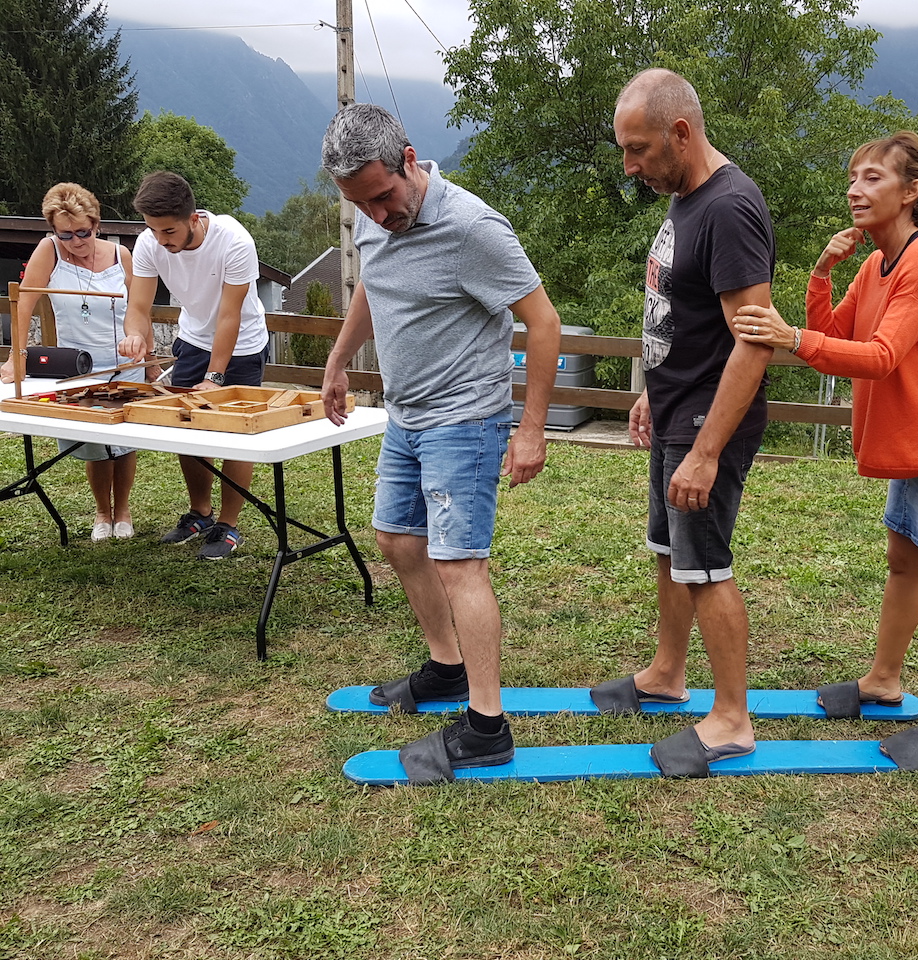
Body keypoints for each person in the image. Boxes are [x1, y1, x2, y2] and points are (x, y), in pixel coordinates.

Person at [733, 131, 918, 771]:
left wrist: (791, 335)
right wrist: (822, 272)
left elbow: (880, 358)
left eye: (873, 178)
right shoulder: (875, 263)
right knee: (902, 563)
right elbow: (834, 336)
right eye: (853, 177)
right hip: (913, 444)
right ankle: (884, 682)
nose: (856, 189)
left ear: (912, 192)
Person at [319, 103, 561, 780]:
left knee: (460, 565)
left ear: (408, 158)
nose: (376, 214)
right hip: (407, 415)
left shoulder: (471, 227)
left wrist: (531, 428)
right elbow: (374, 282)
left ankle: (486, 726)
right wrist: (340, 361)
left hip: (466, 420)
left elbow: (543, 323)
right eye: (359, 204)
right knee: (397, 541)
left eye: (383, 197)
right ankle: (447, 670)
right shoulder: (370, 218)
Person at [590, 69, 776, 777]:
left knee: (706, 566)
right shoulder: (687, 197)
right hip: (677, 403)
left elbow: (752, 341)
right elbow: (680, 310)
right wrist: (651, 388)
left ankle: (731, 720)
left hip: (709, 419)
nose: (630, 167)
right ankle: (669, 674)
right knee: (669, 550)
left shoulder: (730, 207)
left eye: (638, 150)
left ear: (680, 133)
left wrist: (704, 449)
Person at [117, 171, 270, 561]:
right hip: (193, 339)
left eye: (168, 231)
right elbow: (138, 306)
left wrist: (214, 377)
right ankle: (201, 513)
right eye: (153, 230)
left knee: (235, 435)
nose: (161, 240)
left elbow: (229, 317)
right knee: (186, 429)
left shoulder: (234, 241)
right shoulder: (150, 244)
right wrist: (135, 334)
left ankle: (229, 525)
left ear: (193, 218)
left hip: (242, 345)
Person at [1, 182, 144, 541]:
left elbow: (137, 308)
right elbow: (24, 304)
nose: (77, 241)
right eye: (66, 235)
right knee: (93, 443)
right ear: (53, 230)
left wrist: (140, 344)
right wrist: (14, 357)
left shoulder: (120, 254)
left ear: (96, 224)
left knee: (124, 442)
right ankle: (102, 512)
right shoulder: (48, 251)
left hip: (123, 360)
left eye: (84, 232)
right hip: (76, 363)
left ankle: (123, 510)